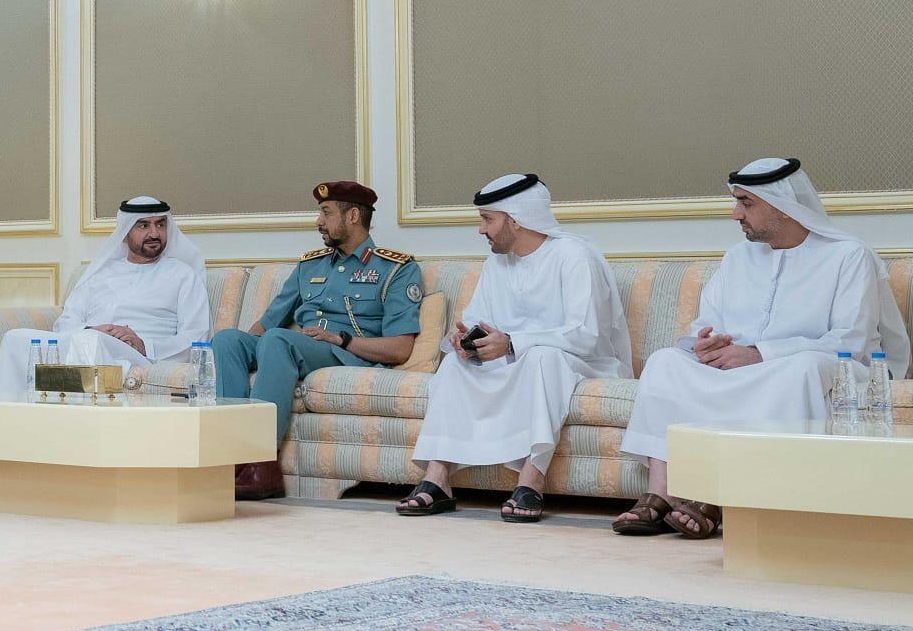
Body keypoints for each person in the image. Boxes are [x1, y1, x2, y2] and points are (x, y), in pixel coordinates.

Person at [614, 157, 909, 538]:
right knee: (665, 361)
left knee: (800, 369)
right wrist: (705, 344)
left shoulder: (848, 255)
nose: (736, 214)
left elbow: (848, 341)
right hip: (742, 364)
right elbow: (705, 323)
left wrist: (759, 354)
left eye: (746, 203)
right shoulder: (738, 257)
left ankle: (722, 497)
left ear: (783, 206)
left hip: (826, 365)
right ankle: (662, 493)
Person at [396, 174, 630, 523]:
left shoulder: (573, 256)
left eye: (487, 220)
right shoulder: (498, 261)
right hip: (513, 358)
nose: (481, 230)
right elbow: (478, 317)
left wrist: (512, 343)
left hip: (579, 362)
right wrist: (466, 340)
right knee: (455, 364)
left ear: (516, 220)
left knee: (541, 357)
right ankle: (438, 479)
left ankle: (531, 481)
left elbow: (585, 335)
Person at [214, 181, 421, 501]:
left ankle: (262, 464)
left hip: (345, 353)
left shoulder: (395, 269)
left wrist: (341, 339)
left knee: (278, 341)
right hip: (300, 346)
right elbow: (267, 323)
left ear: (353, 216)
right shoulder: (310, 265)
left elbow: (400, 348)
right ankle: (231, 456)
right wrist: (249, 349)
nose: (318, 221)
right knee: (228, 340)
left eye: (326, 212)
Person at [0, 196, 211, 400]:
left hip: (139, 356)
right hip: (89, 342)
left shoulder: (183, 275)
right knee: (15, 338)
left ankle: (84, 423)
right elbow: (65, 322)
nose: (154, 233)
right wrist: (92, 329)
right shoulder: (99, 273)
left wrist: (145, 346)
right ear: (124, 232)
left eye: (160, 224)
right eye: (143, 225)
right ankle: (8, 418)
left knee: (91, 343)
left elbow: (197, 335)